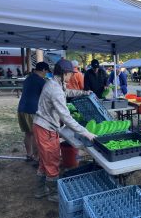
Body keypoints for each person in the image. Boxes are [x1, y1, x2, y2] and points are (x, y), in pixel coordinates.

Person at [33, 59, 95, 202]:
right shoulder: (54, 89)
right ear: (64, 73)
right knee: (52, 160)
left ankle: (40, 190)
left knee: (45, 161)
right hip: (45, 129)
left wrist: (83, 93)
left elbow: (67, 92)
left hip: (43, 126)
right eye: (70, 74)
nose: (72, 76)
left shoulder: (54, 83)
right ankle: (53, 193)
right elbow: (66, 117)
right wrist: (85, 132)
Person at [18, 62, 50, 162]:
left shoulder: (28, 78)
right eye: (46, 71)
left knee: (28, 134)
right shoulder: (41, 81)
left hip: (21, 109)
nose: (46, 74)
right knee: (36, 134)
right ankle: (37, 158)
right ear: (44, 70)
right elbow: (47, 97)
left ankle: (29, 155)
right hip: (32, 110)